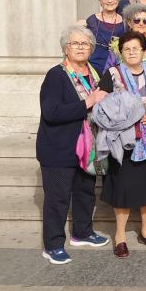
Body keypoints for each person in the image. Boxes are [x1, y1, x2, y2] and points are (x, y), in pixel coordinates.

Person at [37, 25, 109, 264]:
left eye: (85, 44)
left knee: (85, 193)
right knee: (57, 199)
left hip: (89, 147)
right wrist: (88, 102)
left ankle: (82, 232)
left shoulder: (95, 72)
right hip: (60, 148)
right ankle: (53, 244)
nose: (80, 47)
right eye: (75, 44)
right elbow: (51, 112)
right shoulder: (56, 75)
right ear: (65, 49)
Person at [96, 31, 146, 258]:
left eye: (136, 48)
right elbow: (101, 107)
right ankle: (121, 236)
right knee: (123, 190)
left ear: (145, 51)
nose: (132, 52)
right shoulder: (112, 74)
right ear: (120, 52)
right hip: (124, 141)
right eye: (127, 49)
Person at [106, 3, 146, 69]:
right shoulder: (117, 44)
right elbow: (108, 70)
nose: (141, 23)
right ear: (129, 23)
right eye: (136, 20)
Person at [85, 0, 125, 72]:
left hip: (116, 67)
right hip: (93, 65)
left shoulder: (125, 22)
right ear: (100, 1)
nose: (109, 0)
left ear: (118, 0)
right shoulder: (92, 20)